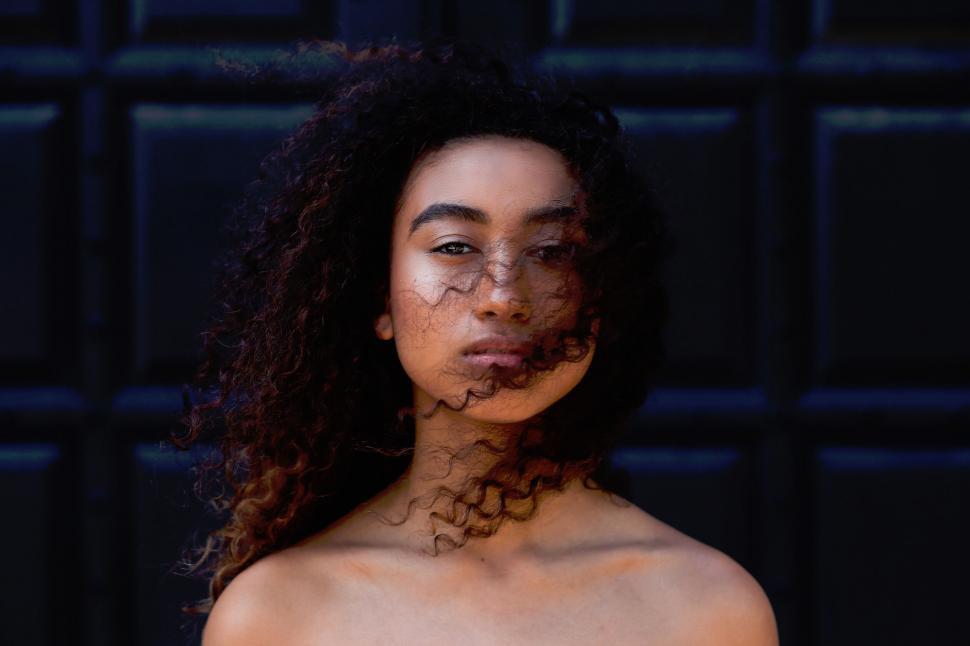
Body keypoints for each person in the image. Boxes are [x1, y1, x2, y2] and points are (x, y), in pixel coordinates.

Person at [173, 38, 779, 645]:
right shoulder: (278, 615)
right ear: (380, 301)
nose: (503, 294)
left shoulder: (706, 609)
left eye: (552, 252)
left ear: (603, 298)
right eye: (455, 246)